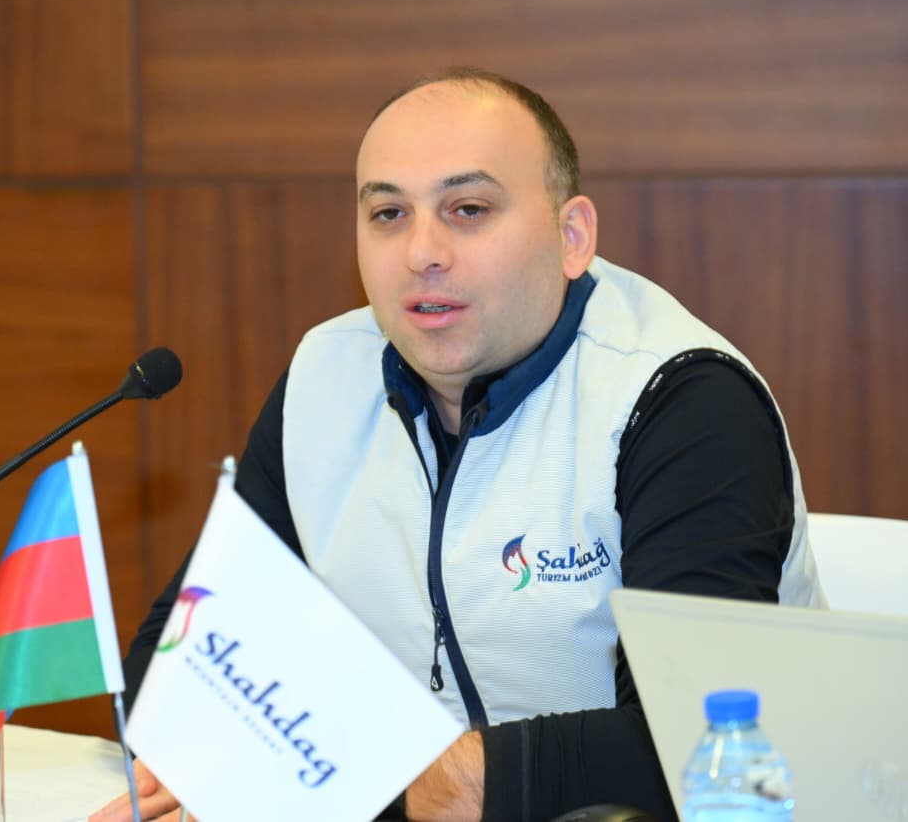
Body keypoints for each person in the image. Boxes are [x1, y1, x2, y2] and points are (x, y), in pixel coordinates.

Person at [90, 67, 823, 822]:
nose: (422, 252)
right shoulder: (324, 380)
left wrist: (377, 777)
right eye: (388, 214)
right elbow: (176, 659)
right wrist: (244, 756)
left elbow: (694, 741)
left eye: (468, 209)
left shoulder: (683, 400)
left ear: (571, 237)